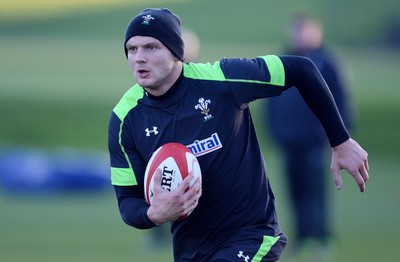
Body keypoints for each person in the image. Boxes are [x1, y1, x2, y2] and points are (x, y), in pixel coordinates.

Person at [108, 8, 369, 262]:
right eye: (132, 49)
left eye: (151, 47)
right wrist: (154, 214)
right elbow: (127, 201)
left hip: (252, 236)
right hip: (190, 250)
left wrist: (340, 141)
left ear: (175, 51)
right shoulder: (124, 119)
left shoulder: (221, 79)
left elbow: (302, 69)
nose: (139, 57)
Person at [265, 15, 352, 259]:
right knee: (294, 191)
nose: (301, 35)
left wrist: (340, 136)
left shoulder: (327, 63)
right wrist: (275, 130)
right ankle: (301, 237)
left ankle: (321, 238)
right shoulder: (282, 61)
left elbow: (342, 101)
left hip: (315, 141)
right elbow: (271, 102)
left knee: (316, 193)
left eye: (306, 30)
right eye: (297, 30)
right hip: (288, 141)